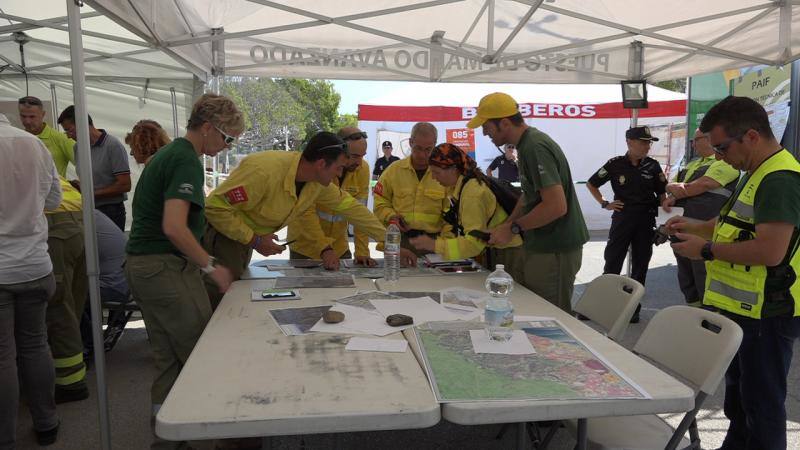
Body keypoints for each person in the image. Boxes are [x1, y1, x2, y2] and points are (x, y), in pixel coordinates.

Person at [670, 95, 800, 450]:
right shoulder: (755, 171)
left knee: (762, 405)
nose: (718, 156)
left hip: (766, 313)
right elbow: (730, 223)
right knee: (740, 402)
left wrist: (706, 250)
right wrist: (695, 227)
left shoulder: (779, 178)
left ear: (752, 136)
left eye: (722, 147)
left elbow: (771, 251)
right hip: (746, 311)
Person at [125, 93, 240, 450]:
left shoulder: (169, 154)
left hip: (144, 266)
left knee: (167, 357)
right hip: (162, 266)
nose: (226, 146)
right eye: (227, 138)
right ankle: (222, 437)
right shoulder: (185, 159)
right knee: (202, 353)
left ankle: (166, 436)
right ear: (208, 128)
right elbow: (175, 227)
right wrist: (210, 266)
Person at [203, 131, 405, 308]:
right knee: (222, 306)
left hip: (243, 241)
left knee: (235, 300)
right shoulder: (263, 170)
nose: (340, 173)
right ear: (321, 163)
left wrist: (389, 241)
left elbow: (352, 208)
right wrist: (254, 240)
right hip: (224, 239)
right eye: (338, 168)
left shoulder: (316, 182)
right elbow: (215, 207)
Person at [473, 93, 588, 315]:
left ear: (504, 123)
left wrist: (515, 228)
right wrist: (506, 225)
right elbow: (528, 195)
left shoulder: (534, 147)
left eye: (486, 126)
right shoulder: (526, 146)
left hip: (556, 248)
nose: (484, 132)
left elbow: (556, 206)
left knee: (550, 318)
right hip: (544, 246)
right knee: (535, 314)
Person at [0, 112, 62, 448]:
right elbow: (53, 200)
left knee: (3, 356)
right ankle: (47, 422)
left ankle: (5, 438)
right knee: (36, 345)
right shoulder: (35, 143)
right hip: (36, 264)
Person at [586, 126, 667, 322]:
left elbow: (662, 194)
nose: (647, 146)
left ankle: (632, 309)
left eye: (649, 143)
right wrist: (605, 203)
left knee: (640, 266)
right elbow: (592, 183)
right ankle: (601, 307)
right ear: (630, 143)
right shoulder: (615, 164)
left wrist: (665, 222)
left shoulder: (653, 166)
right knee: (612, 262)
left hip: (645, 220)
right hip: (622, 219)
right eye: (643, 142)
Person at [409, 143, 523, 266]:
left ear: (453, 169)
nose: (433, 177)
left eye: (436, 172)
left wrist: (434, 245)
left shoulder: (472, 193)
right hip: (497, 250)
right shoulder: (460, 187)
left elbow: (474, 243)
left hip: (507, 253)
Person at [662, 128, 740, 306]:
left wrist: (674, 188)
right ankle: (695, 311)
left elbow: (699, 186)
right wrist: (673, 194)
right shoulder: (693, 164)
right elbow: (677, 189)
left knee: (704, 274)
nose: (693, 144)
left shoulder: (724, 162)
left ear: (709, 139)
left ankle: (709, 318)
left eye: (696, 140)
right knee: (686, 275)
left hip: (705, 229)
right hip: (681, 226)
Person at [288, 127, 377, 267]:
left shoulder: (362, 169)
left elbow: (359, 213)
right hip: (305, 247)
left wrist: (362, 252)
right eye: (354, 156)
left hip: (339, 248)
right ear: (340, 151)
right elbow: (306, 213)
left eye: (363, 155)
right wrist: (324, 248)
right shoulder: (319, 167)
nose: (360, 162)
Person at [44, 177, 90, 403]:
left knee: (58, 308)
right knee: (73, 303)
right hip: (79, 220)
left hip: (55, 224)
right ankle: (74, 369)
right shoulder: (33, 147)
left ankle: (71, 383)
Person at [373, 122, 446, 256]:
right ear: (411, 142)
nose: (423, 155)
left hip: (434, 243)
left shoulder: (444, 174)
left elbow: (450, 215)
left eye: (428, 149)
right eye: (418, 148)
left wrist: (445, 245)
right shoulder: (393, 171)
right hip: (400, 242)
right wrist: (391, 216)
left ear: (435, 145)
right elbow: (379, 202)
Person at [58, 105, 131, 230]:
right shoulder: (77, 147)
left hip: (111, 211)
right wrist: (79, 186)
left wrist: (91, 193)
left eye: (69, 130)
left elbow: (125, 185)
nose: (68, 136)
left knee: (109, 248)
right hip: (89, 208)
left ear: (83, 124)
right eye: (66, 132)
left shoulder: (113, 146)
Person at [80, 210, 131, 356]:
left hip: (115, 287)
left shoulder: (80, 220)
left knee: (65, 297)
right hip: (125, 282)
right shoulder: (91, 213)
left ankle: (89, 344)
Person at [18, 95, 76, 177]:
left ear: (43, 114)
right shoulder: (18, 140)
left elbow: (85, 167)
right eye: (23, 116)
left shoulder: (61, 138)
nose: (27, 121)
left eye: (32, 116)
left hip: (53, 189)